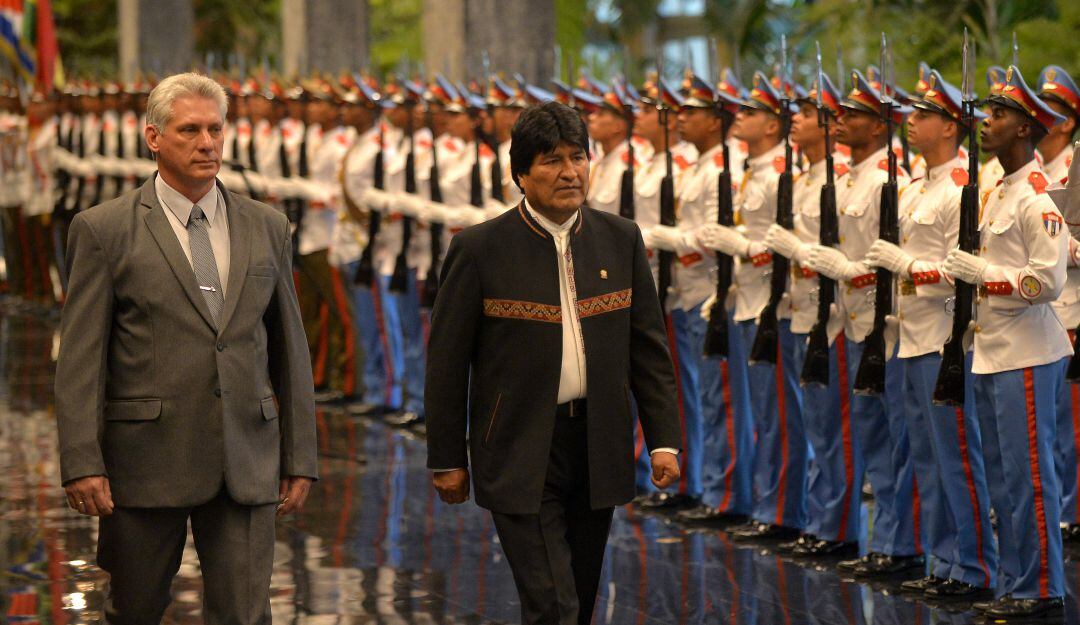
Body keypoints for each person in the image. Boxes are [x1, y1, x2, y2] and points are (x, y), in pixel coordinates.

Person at [54, 72, 317, 624]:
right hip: (146, 461)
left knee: (246, 614)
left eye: (216, 130)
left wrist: (300, 457)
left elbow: (288, 348)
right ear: (153, 138)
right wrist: (82, 461)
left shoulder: (266, 225)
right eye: (190, 130)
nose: (207, 143)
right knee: (136, 610)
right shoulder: (104, 230)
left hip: (246, 457)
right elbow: (81, 359)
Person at [425, 101, 682, 625]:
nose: (569, 172)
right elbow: (446, 364)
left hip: (598, 442)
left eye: (578, 157)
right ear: (520, 174)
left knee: (579, 600)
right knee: (553, 604)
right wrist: (447, 456)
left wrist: (664, 439)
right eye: (551, 161)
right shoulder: (479, 249)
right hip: (519, 446)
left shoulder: (620, 238)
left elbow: (649, 352)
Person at [865, 70, 997, 600]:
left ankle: (973, 565)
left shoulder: (966, 185)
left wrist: (908, 265)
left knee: (960, 458)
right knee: (927, 455)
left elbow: (963, 265)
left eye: (923, 115)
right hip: (912, 337)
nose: (911, 122)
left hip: (948, 338)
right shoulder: (920, 185)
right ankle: (942, 559)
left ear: (950, 127)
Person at [944, 65, 1070, 620]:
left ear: (1026, 129)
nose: (986, 122)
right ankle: (1017, 583)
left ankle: (1042, 587)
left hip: (1027, 352)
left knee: (1030, 477)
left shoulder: (1036, 201)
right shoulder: (996, 192)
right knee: (1001, 476)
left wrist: (984, 275)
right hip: (993, 349)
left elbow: (1048, 282)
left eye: (999, 115)